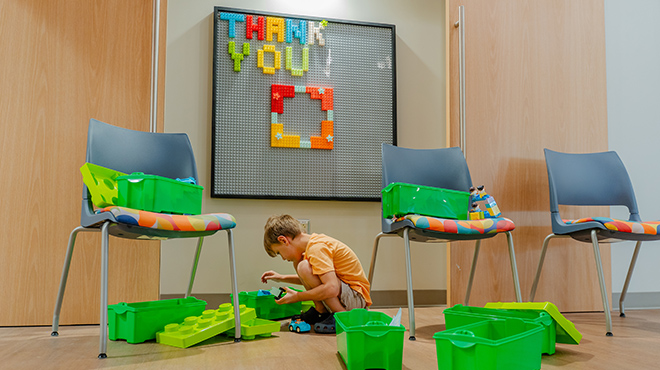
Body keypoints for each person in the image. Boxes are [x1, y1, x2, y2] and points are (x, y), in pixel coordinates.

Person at [261, 214, 372, 334]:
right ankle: (321, 311)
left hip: (355, 297)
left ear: (283, 240)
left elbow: (331, 288)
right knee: (300, 263)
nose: (283, 258)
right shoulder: (312, 245)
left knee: (303, 266)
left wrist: (297, 296)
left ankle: (340, 315)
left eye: (279, 252)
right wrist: (281, 277)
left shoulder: (317, 248)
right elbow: (318, 278)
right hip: (347, 294)